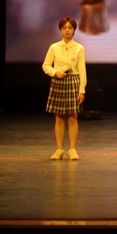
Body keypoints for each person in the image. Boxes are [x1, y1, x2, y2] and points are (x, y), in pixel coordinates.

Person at [42, 17, 86, 160]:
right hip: (58, 82)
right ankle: (59, 149)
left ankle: (72, 149)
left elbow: (82, 70)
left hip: (73, 82)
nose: (67, 30)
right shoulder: (54, 47)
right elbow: (46, 65)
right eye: (64, 28)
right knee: (59, 118)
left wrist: (82, 90)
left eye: (70, 28)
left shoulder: (79, 48)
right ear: (60, 30)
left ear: (74, 30)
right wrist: (56, 72)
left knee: (73, 118)